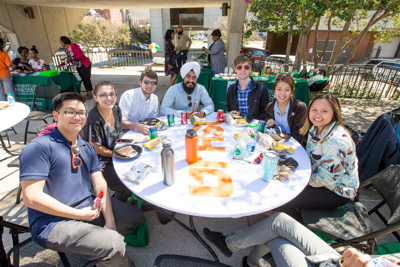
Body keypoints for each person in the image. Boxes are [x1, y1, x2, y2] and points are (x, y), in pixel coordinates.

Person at [19, 92, 143, 266]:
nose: (77, 117)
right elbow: (31, 197)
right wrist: (79, 215)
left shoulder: (86, 147)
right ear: (56, 115)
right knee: (114, 245)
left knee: (134, 216)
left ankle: (94, 245)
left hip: (87, 207)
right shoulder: (39, 147)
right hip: (51, 222)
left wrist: (110, 221)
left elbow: (100, 183)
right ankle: (110, 253)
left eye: (81, 113)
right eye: (70, 112)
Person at [278, 94, 359, 221]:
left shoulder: (337, 141)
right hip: (319, 177)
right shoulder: (315, 128)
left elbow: (325, 179)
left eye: (324, 111)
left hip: (335, 191)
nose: (317, 115)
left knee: (286, 196)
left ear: (334, 113)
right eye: (314, 109)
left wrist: (297, 180)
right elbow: (311, 158)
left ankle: (292, 227)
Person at [203, 212, 374, 267]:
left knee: (276, 239)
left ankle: (250, 260)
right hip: (335, 262)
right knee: (279, 221)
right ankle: (233, 247)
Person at [83, 81, 132, 202]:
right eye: (103, 95)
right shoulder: (93, 117)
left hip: (114, 152)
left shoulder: (116, 108)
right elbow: (95, 148)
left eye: (112, 94)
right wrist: (117, 153)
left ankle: (123, 201)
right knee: (126, 184)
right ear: (96, 97)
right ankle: (119, 206)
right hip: (98, 160)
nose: (109, 98)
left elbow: (119, 128)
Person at [265, 74, 307, 144]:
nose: (282, 93)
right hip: (273, 142)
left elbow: (299, 135)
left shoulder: (299, 108)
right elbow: (267, 118)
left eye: (287, 90)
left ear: (292, 91)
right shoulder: (270, 107)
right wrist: (268, 120)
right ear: (274, 90)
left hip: (292, 145)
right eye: (279, 89)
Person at [226, 54, 270, 120]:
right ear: (235, 69)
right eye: (239, 67)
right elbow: (229, 109)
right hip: (236, 126)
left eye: (246, 67)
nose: (243, 70)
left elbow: (265, 111)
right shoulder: (231, 89)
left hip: (254, 126)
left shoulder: (261, 89)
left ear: (250, 69)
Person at [119, 69, 159, 135]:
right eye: (146, 82)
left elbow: (153, 121)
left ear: (156, 85)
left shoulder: (155, 99)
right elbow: (121, 122)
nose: (149, 86)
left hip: (146, 133)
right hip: (127, 134)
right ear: (140, 82)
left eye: (153, 83)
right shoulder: (129, 95)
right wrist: (137, 127)